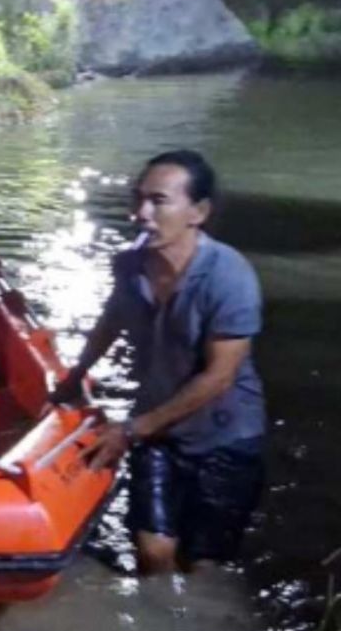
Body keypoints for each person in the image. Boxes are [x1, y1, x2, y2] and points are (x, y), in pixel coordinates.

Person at [50, 150, 267, 575]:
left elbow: (219, 376)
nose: (140, 213)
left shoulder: (229, 275)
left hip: (225, 439)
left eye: (158, 201)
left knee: (205, 568)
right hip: (159, 432)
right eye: (137, 199)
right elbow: (112, 317)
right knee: (153, 552)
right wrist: (74, 377)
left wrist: (130, 430)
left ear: (198, 212)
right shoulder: (129, 265)